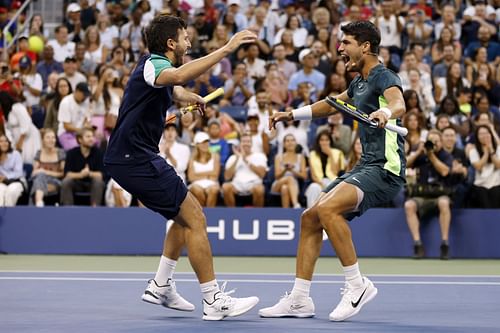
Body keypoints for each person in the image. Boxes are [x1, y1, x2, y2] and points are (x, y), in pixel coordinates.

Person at [103, 16, 259, 321]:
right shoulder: (154, 64)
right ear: (171, 43)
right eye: (185, 38)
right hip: (133, 158)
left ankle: (161, 285)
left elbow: (173, 90)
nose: (189, 43)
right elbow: (175, 77)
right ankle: (213, 300)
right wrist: (226, 49)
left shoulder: (155, 69)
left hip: (133, 157)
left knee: (183, 216)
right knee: (196, 218)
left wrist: (192, 97)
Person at [261, 21, 406, 322]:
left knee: (327, 210)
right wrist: (292, 114)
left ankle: (357, 285)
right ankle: (299, 299)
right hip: (366, 164)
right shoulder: (360, 82)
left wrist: (385, 112)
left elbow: (398, 102)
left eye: (346, 43)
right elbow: (333, 105)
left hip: (385, 168)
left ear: (365, 46)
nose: (339, 49)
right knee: (310, 217)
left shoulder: (384, 76)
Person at [404, 129, 453, 259]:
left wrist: (432, 156)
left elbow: (444, 172)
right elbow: (404, 165)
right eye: (431, 141)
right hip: (422, 194)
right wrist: (419, 151)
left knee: (444, 203)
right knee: (409, 205)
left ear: (441, 143)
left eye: (436, 141)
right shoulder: (421, 154)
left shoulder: (445, 155)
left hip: (439, 194)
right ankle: (417, 244)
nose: (434, 144)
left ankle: (444, 244)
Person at [61, 127, 105, 206]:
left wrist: (89, 173)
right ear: (80, 139)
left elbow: (101, 175)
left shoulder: (98, 153)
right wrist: (81, 175)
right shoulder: (71, 153)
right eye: (88, 137)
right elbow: (67, 174)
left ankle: (95, 209)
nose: (91, 139)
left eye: (92, 136)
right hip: (77, 183)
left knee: (98, 181)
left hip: (92, 183)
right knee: (66, 182)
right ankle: (67, 210)